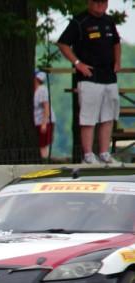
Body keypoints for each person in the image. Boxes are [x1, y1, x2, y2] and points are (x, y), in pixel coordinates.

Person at [57, 0, 121, 165]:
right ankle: (88, 155)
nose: (101, 6)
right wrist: (78, 64)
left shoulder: (109, 21)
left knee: (108, 116)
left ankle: (104, 152)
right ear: (89, 3)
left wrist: (118, 61)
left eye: (104, 2)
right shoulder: (79, 21)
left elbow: (116, 42)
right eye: (97, 2)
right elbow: (63, 43)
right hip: (89, 76)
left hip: (109, 76)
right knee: (88, 117)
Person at [33, 70, 56, 160]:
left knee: (43, 145)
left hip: (43, 121)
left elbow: (46, 107)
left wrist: (44, 123)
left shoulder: (42, 90)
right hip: (37, 121)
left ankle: (44, 161)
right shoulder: (34, 91)